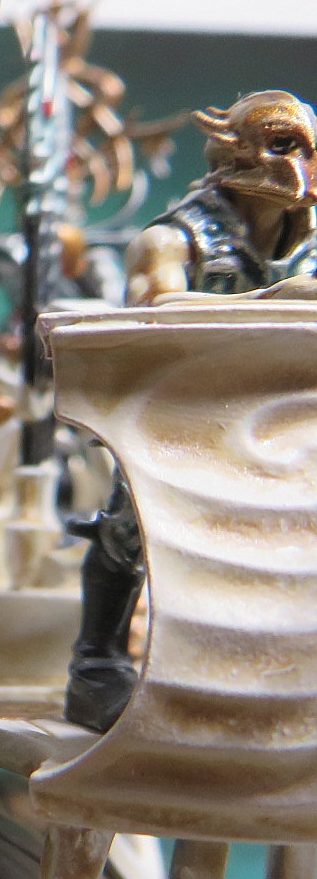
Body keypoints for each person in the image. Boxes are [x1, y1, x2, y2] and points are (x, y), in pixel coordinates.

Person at [66, 90, 317, 732]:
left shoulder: (310, 241)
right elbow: (157, 310)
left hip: (284, 417)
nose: (303, 166)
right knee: (133, 527)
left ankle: (259, 669)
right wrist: (273, 301)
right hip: (177, 414)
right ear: (237, 153)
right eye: (284, 146)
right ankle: (96, 666)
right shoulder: (173, 240)